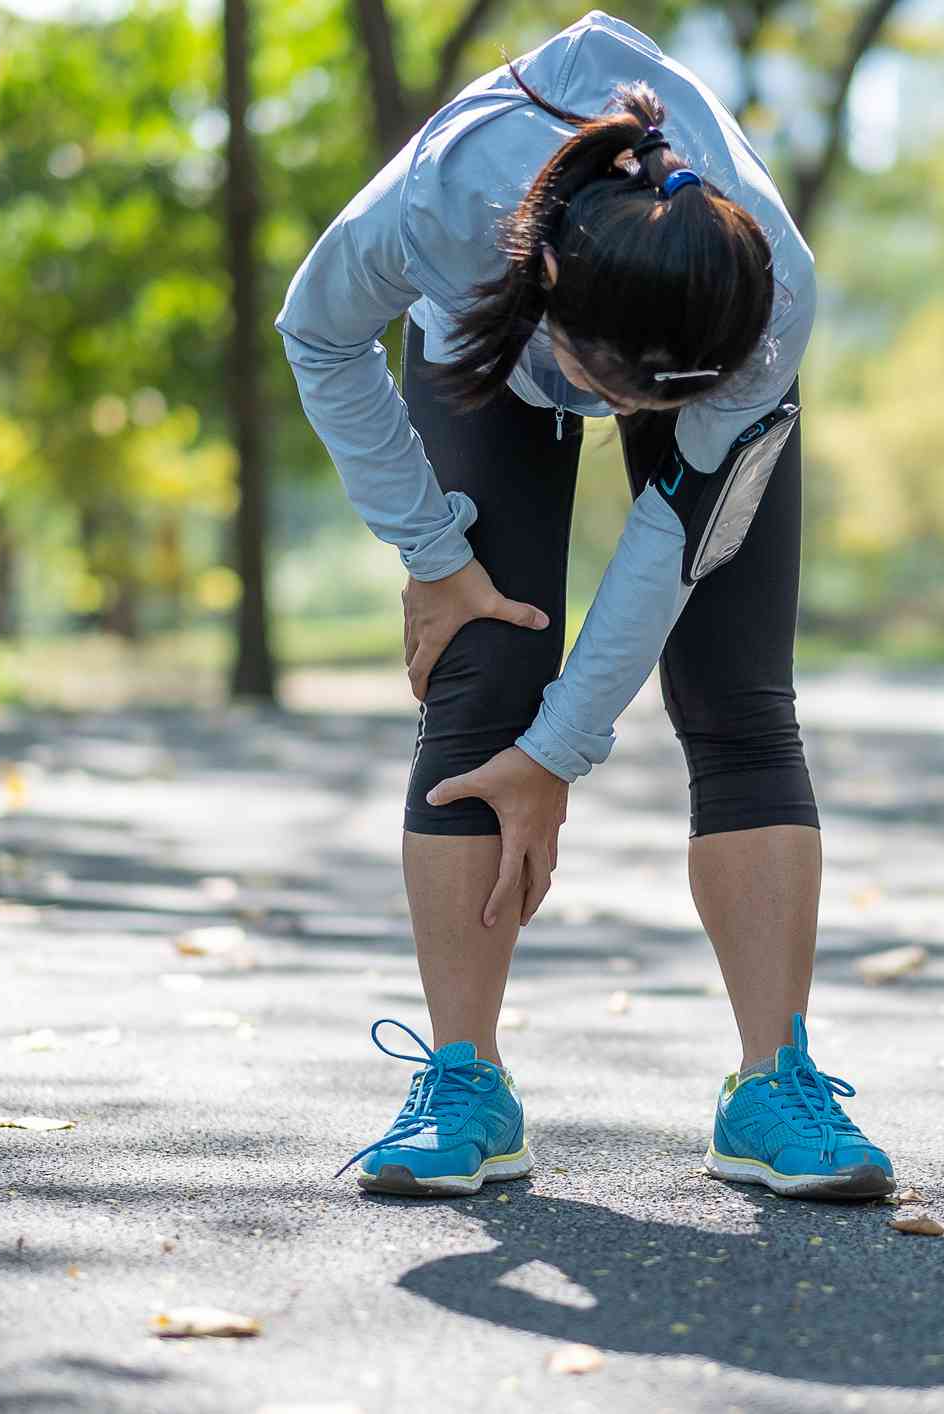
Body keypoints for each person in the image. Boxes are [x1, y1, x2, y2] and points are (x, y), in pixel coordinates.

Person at [276, 10, 893, 1201]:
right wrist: (432, 551)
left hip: (677, 317)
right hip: (489, 318)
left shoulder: (767, 301)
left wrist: (561, 753)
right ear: (550, 287)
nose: (622, 414)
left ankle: (773, 1086)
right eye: (609, 389)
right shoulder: (446, 208)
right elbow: (317, 337)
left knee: (738, 695)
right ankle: (464, 1081)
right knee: (482, 668)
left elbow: (672, 539)